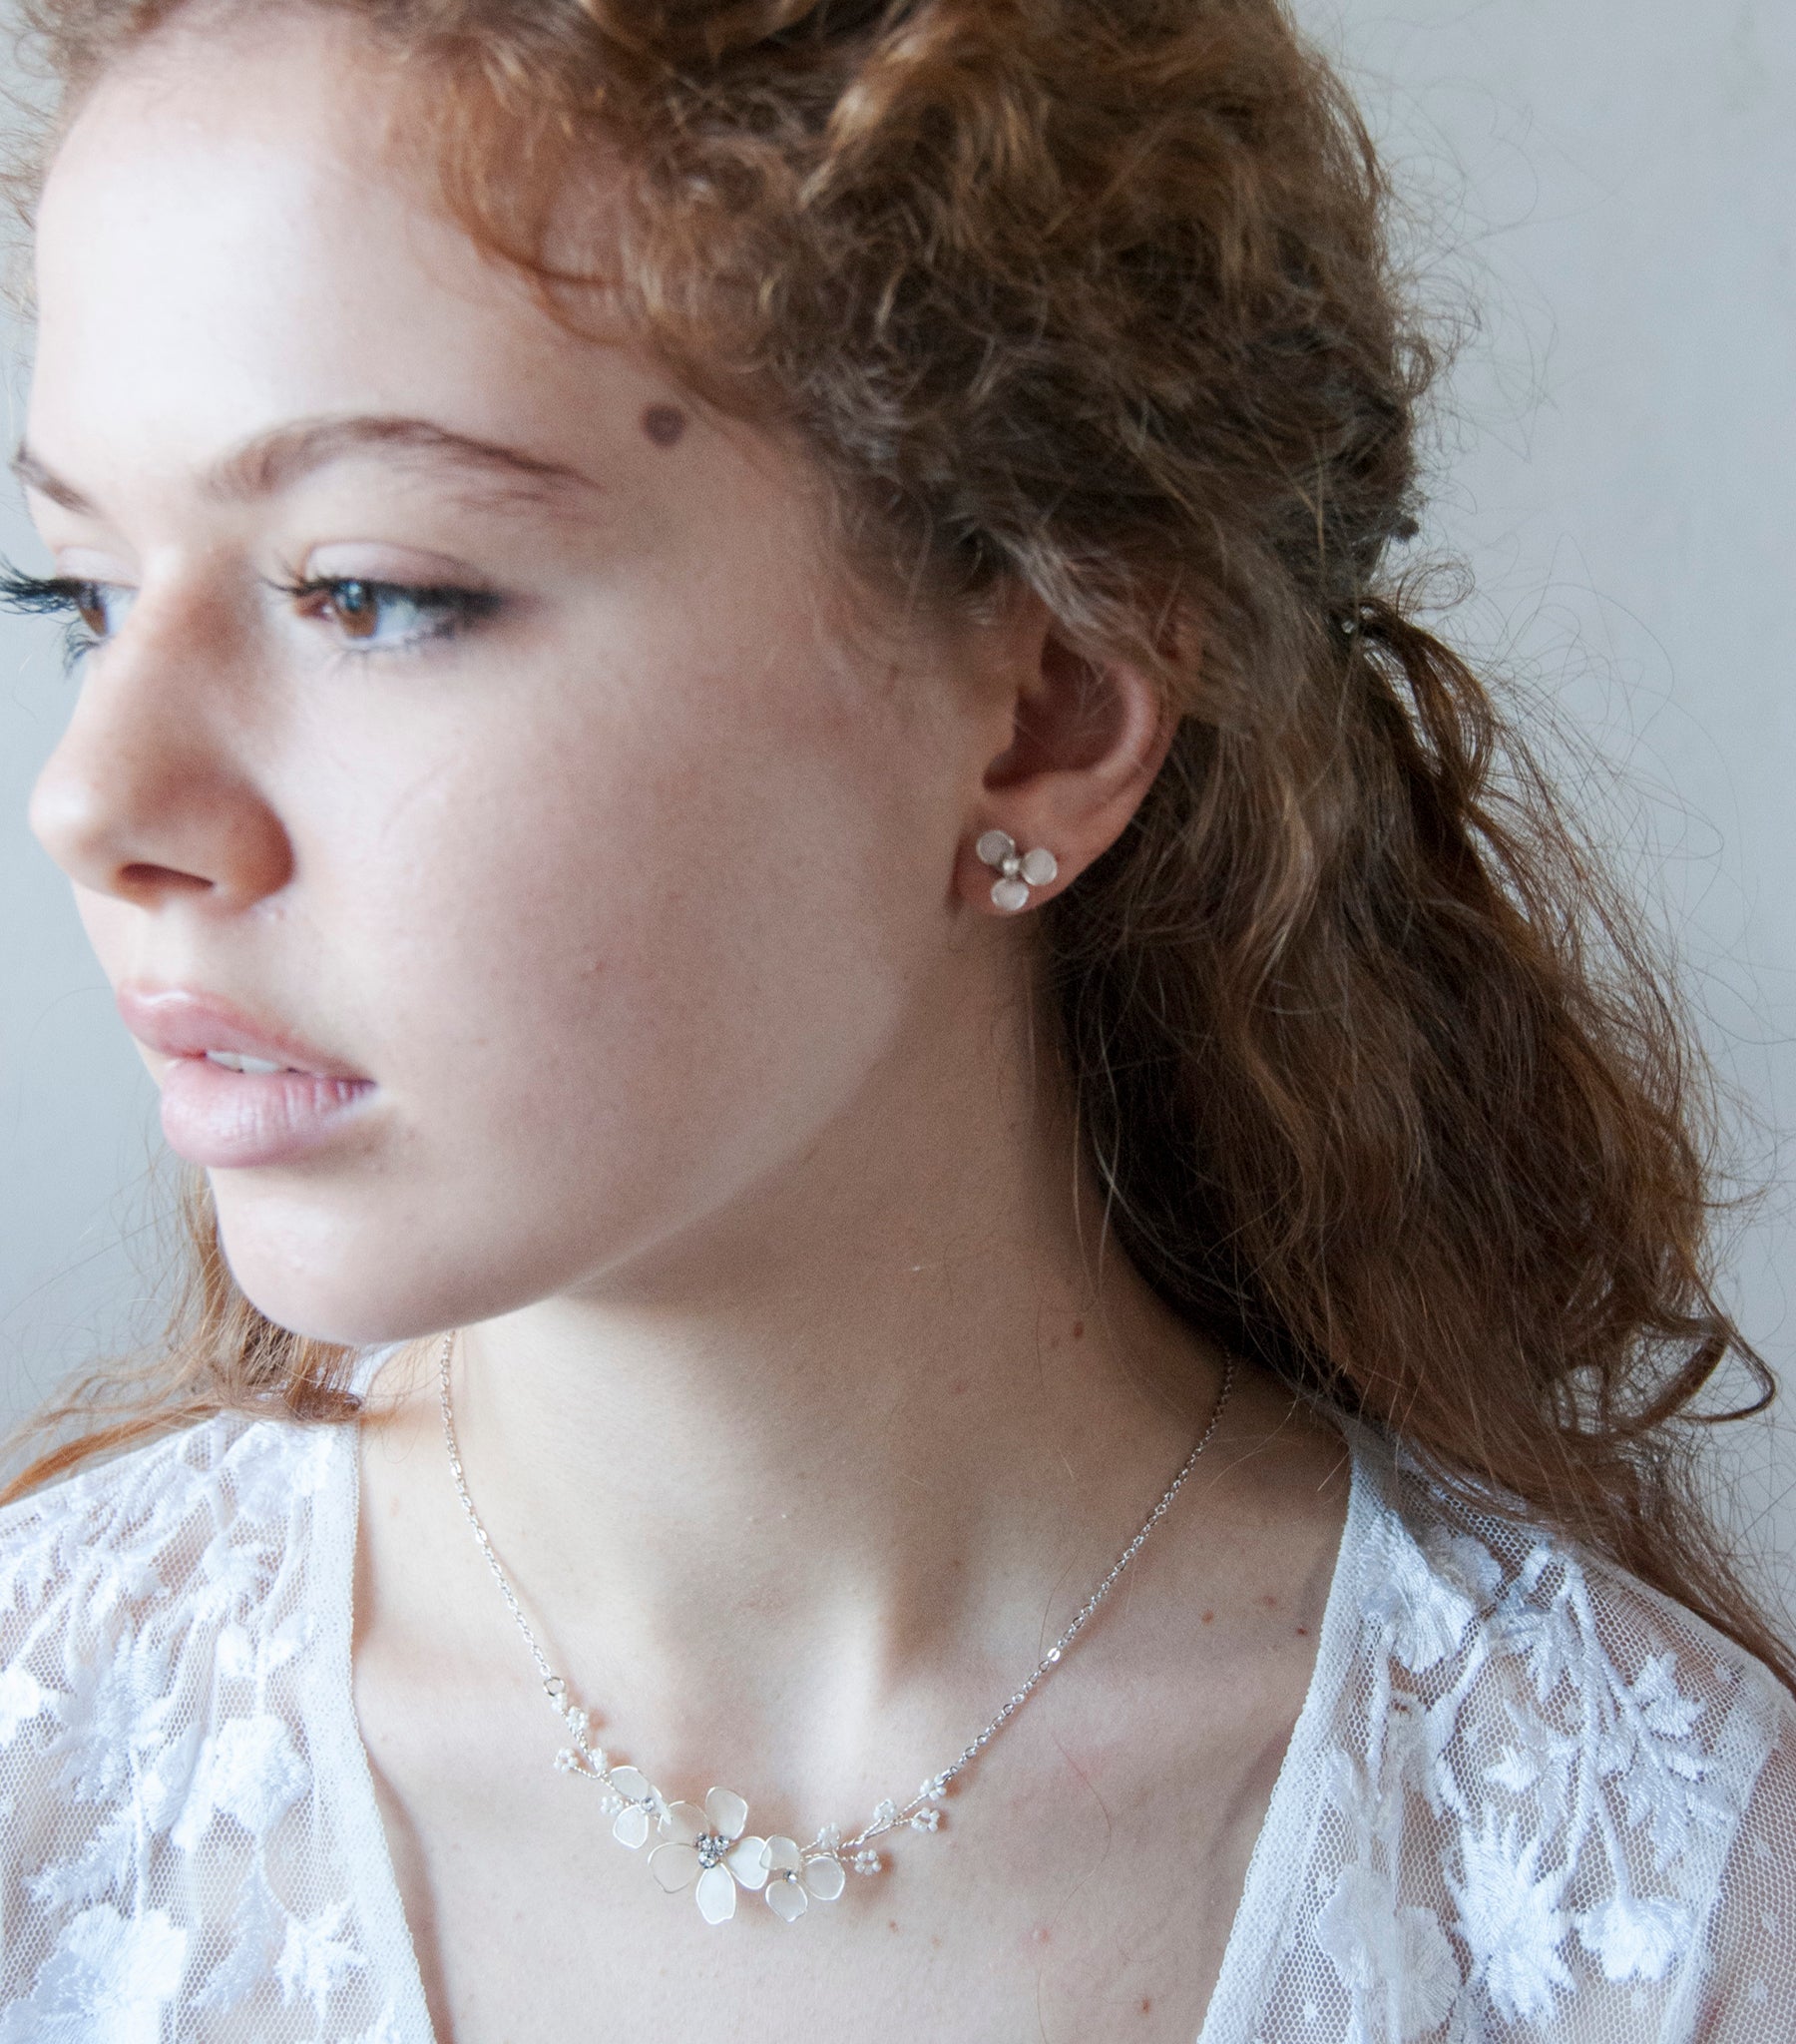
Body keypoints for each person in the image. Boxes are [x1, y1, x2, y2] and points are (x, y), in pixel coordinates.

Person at [0, 0, 1790, 2037]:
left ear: (1044, 712)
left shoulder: (1632, 1894)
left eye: (374, 590)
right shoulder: (51, 1795)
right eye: (77, 593)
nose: (97, 801)